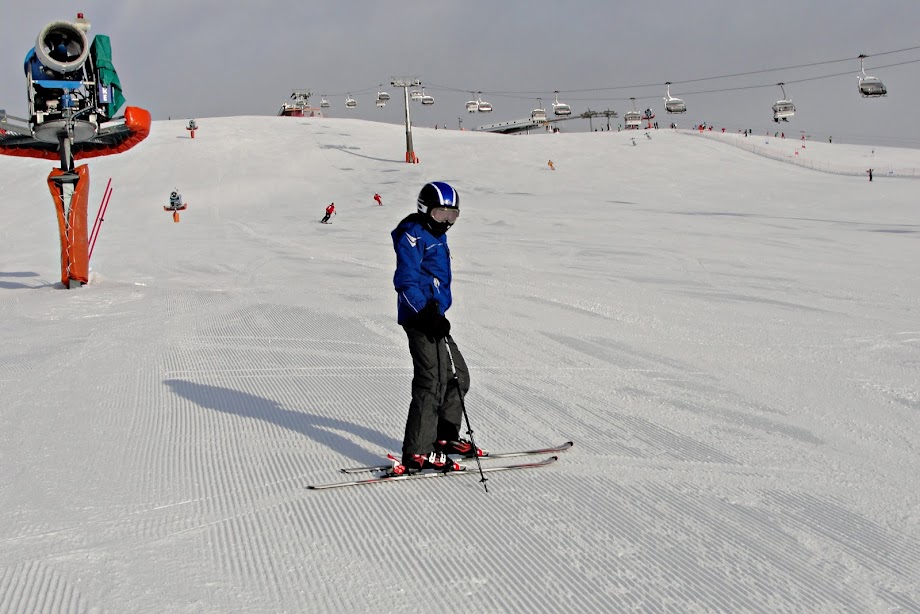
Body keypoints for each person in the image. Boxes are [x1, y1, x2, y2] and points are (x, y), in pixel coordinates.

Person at [389, 181, 483, 475]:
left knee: (459, 377)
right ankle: (417, 451)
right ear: (424, 210)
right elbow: (406, 280)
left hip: (435, 316)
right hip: (419, 318)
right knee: (431, 382)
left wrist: (437, 311)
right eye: (441, 214)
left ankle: (444, 436)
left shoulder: (436, 235)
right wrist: (425, 311)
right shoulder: (413, 235)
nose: (446, 221)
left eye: (452, 216)